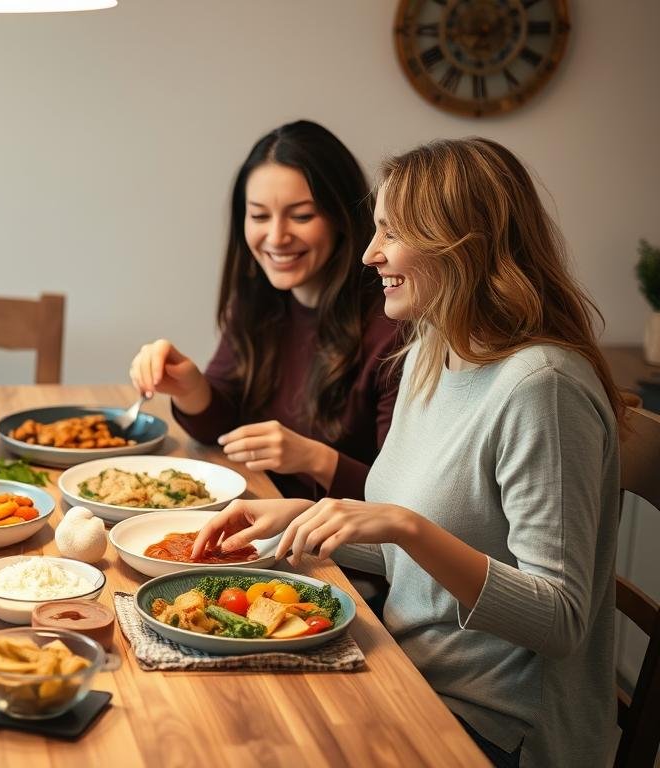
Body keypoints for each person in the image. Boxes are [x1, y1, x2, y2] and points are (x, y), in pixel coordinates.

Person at [195, 137, 623, 767]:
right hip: (405, 670)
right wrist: (298, 518)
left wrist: (402, 525)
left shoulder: (541, 387)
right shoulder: (431, 350)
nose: (370, 255)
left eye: (391, 233)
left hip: (496, 728)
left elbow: (559, 620)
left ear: (460, 244)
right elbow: (429, 556)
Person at [130, 120, 400, 500]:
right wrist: (190, 387)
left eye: (302, 216)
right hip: (259, 513)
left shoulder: (391, 329)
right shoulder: (259, 299)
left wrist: (313, 458)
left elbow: (401, 504)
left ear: (342, 216)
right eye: (259, 216)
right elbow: (219, 430)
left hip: (334, 552)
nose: (276, 237)